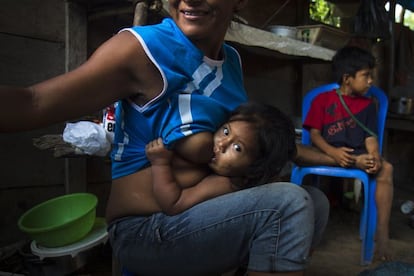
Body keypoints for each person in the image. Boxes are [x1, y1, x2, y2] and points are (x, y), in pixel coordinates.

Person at [1, 0, 330, 275]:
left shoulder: (231, 63)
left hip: (204, 216)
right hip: (146, 229)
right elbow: (34, 102)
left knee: (314, 202)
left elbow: (263, 142)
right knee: (287, 205)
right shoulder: (141, 49)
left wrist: (332, 156)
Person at [303, 46, 394, 261]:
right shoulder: (322, 100)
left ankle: (382, 231)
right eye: (365, 75)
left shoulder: (368, 105)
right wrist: (333, 152)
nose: (370, 81)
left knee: (386, 169)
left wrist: (374, 156)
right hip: (328, 153)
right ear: (347, 78)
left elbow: (371, 136)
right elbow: (314, 135)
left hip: (359, 158)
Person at [146, 102, 297, 215]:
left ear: (254, 169)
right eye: (225, 131)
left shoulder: (225, 183)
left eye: (237, 148)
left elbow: (173, 205)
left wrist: (160, 164)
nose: (221, 144)